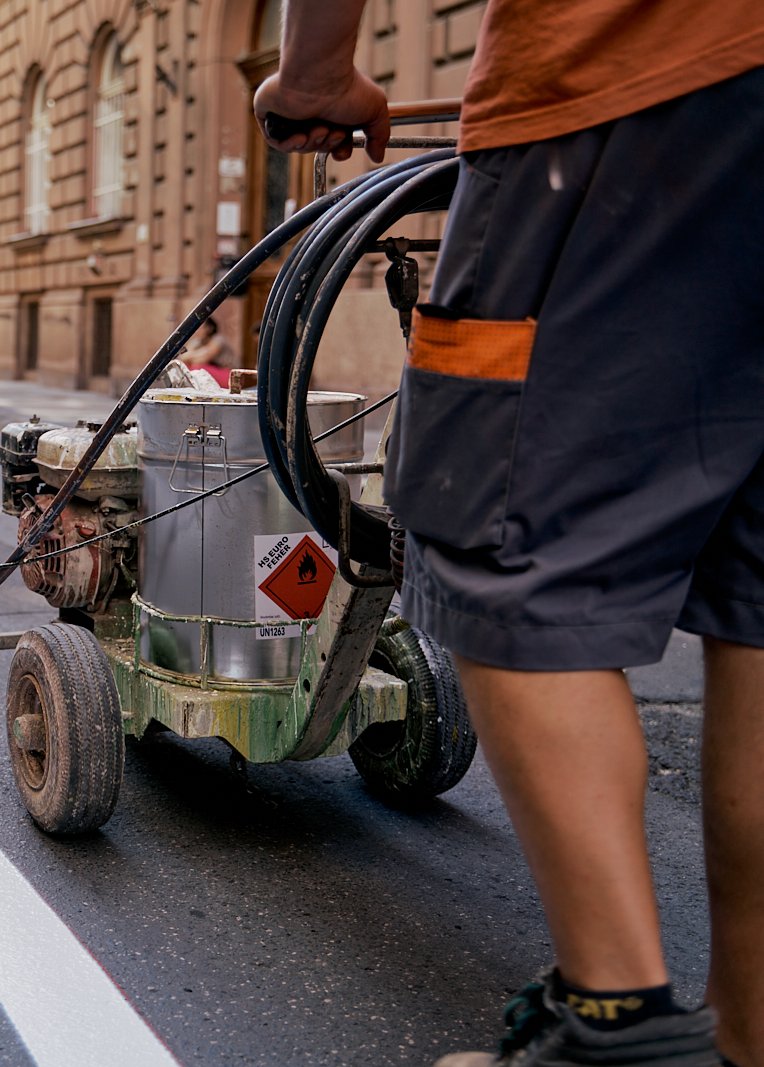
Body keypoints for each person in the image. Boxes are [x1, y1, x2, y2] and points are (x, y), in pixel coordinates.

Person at [256, 3, 764, 1065]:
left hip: (635, 85)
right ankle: (743, 1036)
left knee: (498, 543)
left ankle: (614, 1027)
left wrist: (313, 74)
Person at [179, 316, 236, 387]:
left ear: (209, 328)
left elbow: (202, 360)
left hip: (230, 376)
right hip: (212, 370)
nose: (196, 331)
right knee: (185, 366)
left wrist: (192, 356)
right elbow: (182, 357)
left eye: (199, 328)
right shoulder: (198, 341)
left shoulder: (218, 340)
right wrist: (200, 353)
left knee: (197, 368)